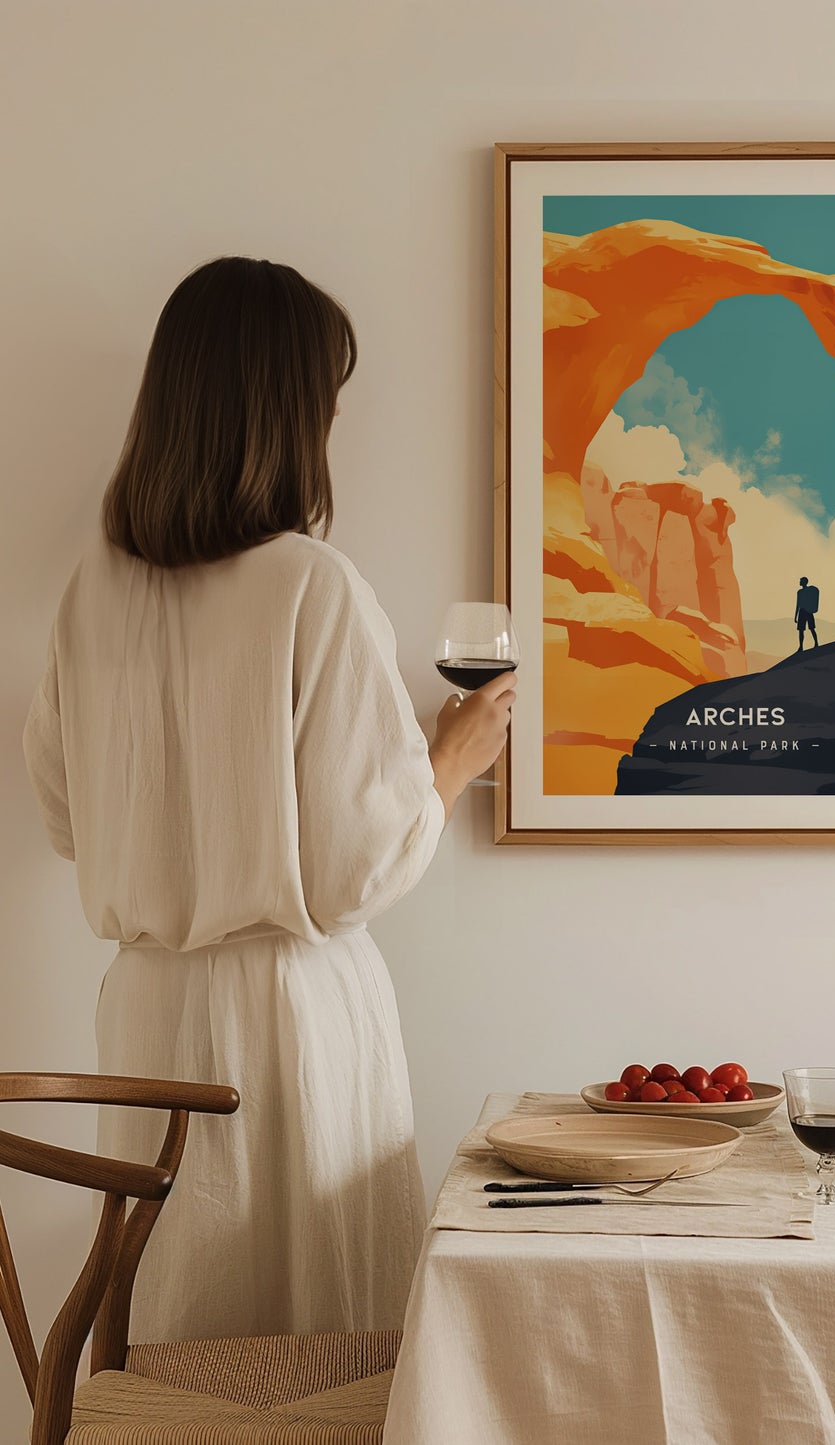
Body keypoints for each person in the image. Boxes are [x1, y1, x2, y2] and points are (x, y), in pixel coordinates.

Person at [21, 257, 512, 1342]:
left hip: (145, 1009)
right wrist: (450, 757)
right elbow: (352, 871)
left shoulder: (92, 590)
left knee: (177, 1329)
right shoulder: (309, 583)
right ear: (287, 413)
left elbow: (65, 817)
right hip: (288, 1018)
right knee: (312, 1343)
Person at [794, 575, 820, 652]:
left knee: (811, 628)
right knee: (802, 630)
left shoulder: (805, 591)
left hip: (806, 611)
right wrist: (795, 616)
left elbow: (798, 604)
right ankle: (801, 646)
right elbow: (798, 604)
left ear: (804, 582)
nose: (800, 582)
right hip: (804, 612)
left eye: (801, 581)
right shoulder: (800, 592)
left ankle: (815, 643)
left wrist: (796, 616)